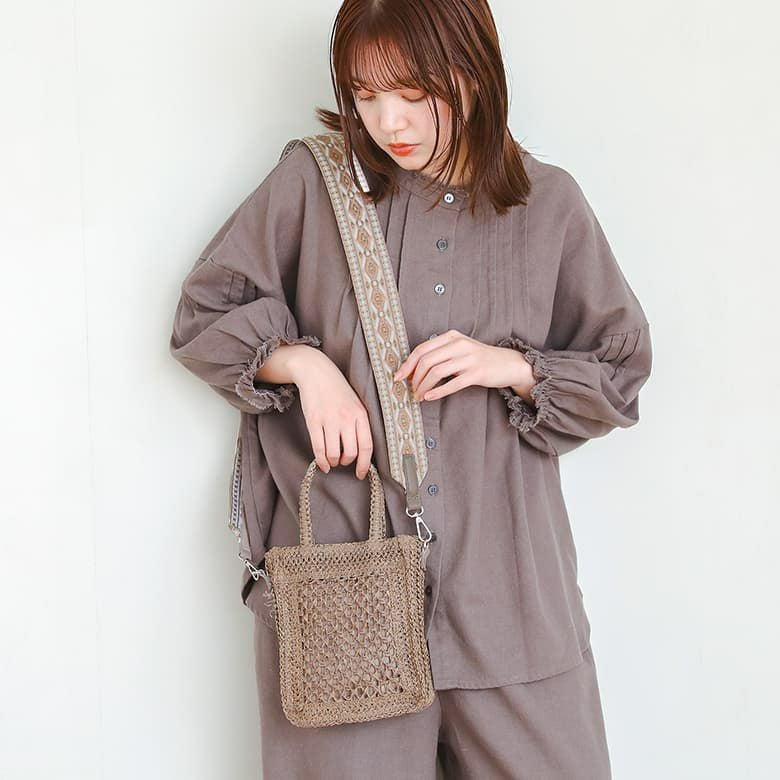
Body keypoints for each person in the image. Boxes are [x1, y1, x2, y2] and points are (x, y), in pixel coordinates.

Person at [169, 0, 652, 776]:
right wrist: (306, 367)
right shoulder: (316, 185)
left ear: (473, 73)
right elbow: (205, 311)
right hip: (341, 602)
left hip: (511, 602)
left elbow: (620, 371)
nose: (387, 120)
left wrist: (512, 367)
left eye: (414, 93)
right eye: (364, 94)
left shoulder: (549, 205)